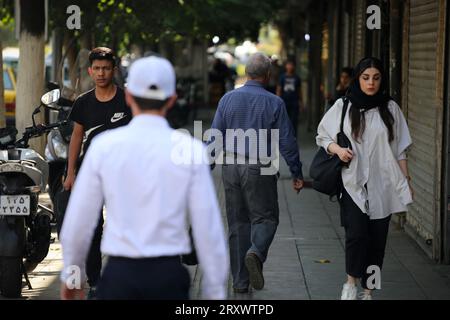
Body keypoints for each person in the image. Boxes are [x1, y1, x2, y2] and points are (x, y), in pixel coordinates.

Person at [60, 56, 229, 300]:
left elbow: (79, 222)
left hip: (119, 277)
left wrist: (71, 274)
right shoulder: (190, 151)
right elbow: (208, 229)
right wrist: (215, 292)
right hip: (169, 278)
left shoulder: (104, 147)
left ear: (129, 97)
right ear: (171, 100)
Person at [316, 57, 413, 300]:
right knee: (357, 235)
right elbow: (323, 136)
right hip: (352, 182)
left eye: (376, 78)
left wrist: (406, 179)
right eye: (366, 77)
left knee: (377, 241)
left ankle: (368, 292)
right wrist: (338, 151)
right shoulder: (344, 106)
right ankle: (350, 284)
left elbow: (400, 149)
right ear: (358, 79)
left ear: (382, 80)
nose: (371, 83)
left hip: (384, 184)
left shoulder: (390, 108)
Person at [210, 52, 304, 294]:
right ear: (268, 75)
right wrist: (296, 172)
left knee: (238, 224)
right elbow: (287, 141)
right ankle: (256, 252)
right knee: (266, 218)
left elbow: (214, 136)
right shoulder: (275, 103)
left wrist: (207, 164)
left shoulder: (227, 100)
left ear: (246, 73)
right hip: (259, 167)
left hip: (230, 167)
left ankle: (240, 282)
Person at [62, 47, 132, 298]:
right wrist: (70, 173)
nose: (101, 73)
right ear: (91, 71)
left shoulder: (128, 100)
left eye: (106, 68)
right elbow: (76, 139)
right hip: (90, 176)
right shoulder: (83, 102)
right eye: (97, 69)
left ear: (113, 70)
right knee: (92, 229)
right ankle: (96, 281)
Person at [277, 60, 304, 137]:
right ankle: (285, 136)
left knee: (294, 121)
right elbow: (279, 89)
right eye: (288, 65)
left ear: (294, 67)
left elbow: (299, 91)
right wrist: (278, 102)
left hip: (294, 102)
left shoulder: (296, 78)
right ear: (286, 66)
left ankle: (293, 137)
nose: (290, 67)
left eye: (291, 65)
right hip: (284, 102)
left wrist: (301, 103)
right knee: (284, 121)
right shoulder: (282, 77)